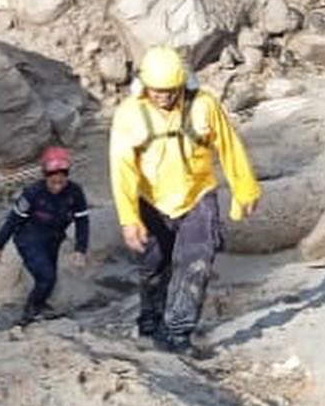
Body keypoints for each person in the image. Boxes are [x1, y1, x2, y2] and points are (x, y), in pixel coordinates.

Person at [109, 44, 260, 354]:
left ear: (182, 83)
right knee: (153, 267)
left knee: (196, 265)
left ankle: (178, 335)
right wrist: (129, 219)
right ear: (144, 85)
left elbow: (229, 146)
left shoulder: (204, 105)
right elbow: (121, 168)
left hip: (197, 196)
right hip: (150, 201)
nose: (163, 96)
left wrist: (245, 187)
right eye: (156, 90)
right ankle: (150, 321)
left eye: (169, 89)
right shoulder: (129, 114)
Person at [0, 146, 90, 325]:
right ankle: (29, 314)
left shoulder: (75, 192)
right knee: (46, 276)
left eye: (61, 182)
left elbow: (82, 220)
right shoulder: (32, 194)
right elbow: (13, 220)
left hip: (54, 239)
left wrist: (80, 249)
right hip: (29, 239)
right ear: (45, 177)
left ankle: (40, 306)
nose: (57, 187)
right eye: (53, 182)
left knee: (49, 277)